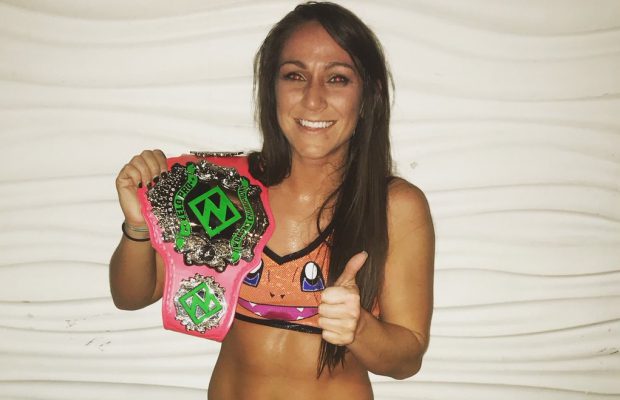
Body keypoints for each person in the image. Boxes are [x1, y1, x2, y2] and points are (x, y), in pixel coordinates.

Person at [109, 2, 434, 399]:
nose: (313, 99)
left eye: (337, 79)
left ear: (368, 95)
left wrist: (359, 328)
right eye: (295, 75)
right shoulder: (222, 187)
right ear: (272, 88)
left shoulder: (395, 206)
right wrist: (138, 225)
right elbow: (130, 297)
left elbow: (407, 360)